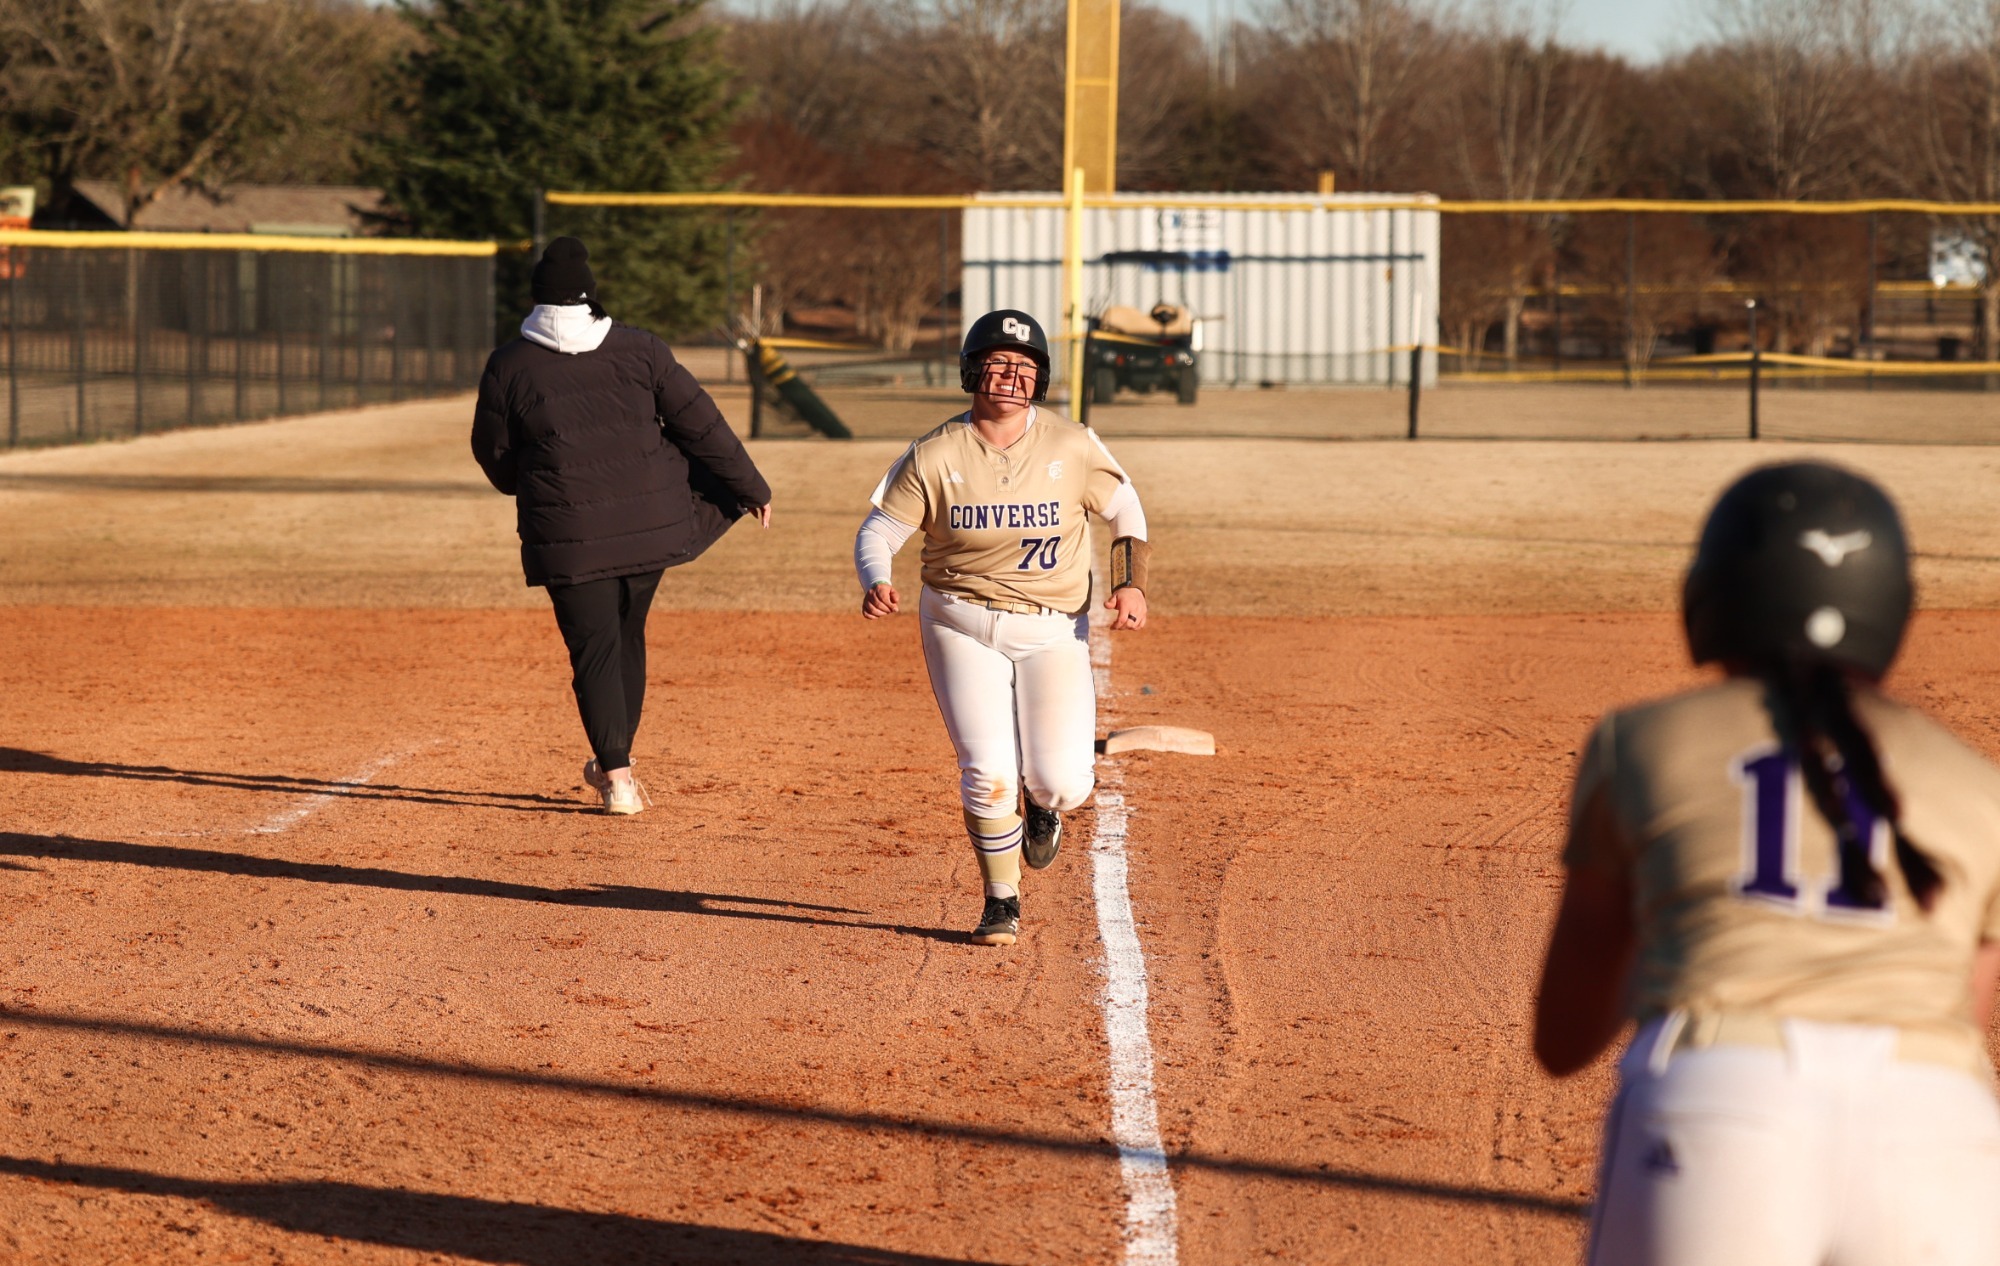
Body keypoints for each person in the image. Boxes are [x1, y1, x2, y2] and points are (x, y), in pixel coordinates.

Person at [1534, 461, 2000, 1266]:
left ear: (1713, 597)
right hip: (1938, 1128)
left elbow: (1564, 1037)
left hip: (1720, 1099)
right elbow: (1964, 1008)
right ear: (1891, 611)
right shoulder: (1980, 788)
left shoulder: (1643, 742)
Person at [852, 309, 1151, 946]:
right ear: (971, 371)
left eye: (1025, 366)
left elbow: (1125, 507)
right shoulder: (936, 453)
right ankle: (1000, 899)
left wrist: (1131, 582)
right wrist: (876, 577)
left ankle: (1040, 803)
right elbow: (878, 530)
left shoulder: (1072, 444)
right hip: (960, 622)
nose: (1012, 376)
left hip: (1053, 629)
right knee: (985, 769)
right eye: (997, 363)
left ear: (1040, 378)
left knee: (1062, 783)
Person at [472, 237, 771, 815]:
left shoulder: (508, 363)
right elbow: (700, 423)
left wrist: (528, 483)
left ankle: (618, 777)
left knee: (596, 649)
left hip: (567, 537)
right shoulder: (641, 348)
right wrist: (750, 487)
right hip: (649, 525)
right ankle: (618, 766)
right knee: (626, 636)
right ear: (590, 295)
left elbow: (493, 452)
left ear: (537, 298)